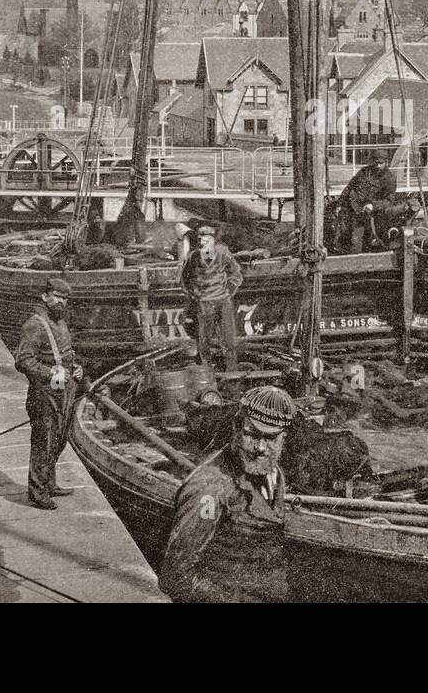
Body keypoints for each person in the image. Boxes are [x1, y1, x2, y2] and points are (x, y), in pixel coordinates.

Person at [159, 385, 295, 603]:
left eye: (270, 439)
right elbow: (175, 576)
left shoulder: (274, 474)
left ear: (282, 439)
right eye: (252, 435)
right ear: (236, 427)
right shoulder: (210, 487)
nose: (260, 447)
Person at [14, 278, 84, 510]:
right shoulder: (35, 324)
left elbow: (63, 353)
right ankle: (37, 492)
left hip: (63, 391)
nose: (61, 301)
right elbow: (23, 361)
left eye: (65, 298)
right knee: (43, 442)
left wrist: (76, 367)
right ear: (45, 297)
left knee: (59, 439)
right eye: (57, 296)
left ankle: (49, 483)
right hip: (44, 394)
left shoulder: (60, 322)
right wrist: (50, 373)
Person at [180, 225, 243, 371]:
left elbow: (236, 274)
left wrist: (228, 291)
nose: (203, 241)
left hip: (223, 301)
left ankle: (231, 371)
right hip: (205, 303)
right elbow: (185, 279)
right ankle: (206, 370)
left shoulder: (223, 253)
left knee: (228, 339)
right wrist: (196, 294)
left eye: (207, 238)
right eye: (201, 238)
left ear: (213, 240)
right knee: (204, 339)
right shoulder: (193, 257)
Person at [338, 151, 398, 252]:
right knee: (344, 237)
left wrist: (373, 205)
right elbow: (349, 187)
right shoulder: (364, 172)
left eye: (381, 163)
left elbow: (389, 201)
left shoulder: (389, 178)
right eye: (376, 163)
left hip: (374, 215)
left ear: (386, 163)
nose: (378, 166)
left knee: (361, 241)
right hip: (355, 209)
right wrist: (340, 204)